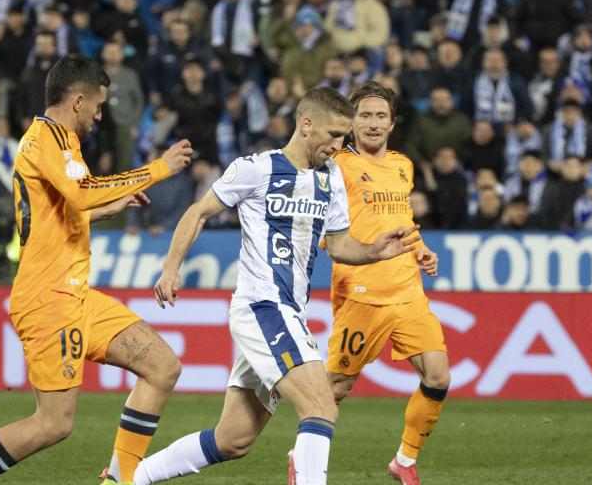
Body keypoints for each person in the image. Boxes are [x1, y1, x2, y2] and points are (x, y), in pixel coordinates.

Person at [0, 56, 195, 485]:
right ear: (79, 100)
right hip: (48, 299)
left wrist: (110, 207)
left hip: (75, 295)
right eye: (99, 107)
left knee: (162, 366)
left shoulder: (58, 143)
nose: (100, 116)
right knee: (53, 424)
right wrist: (157, 169)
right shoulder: (48, 137)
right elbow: (82, 193)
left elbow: (66, 211)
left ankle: (118, 480)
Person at [136, 87, 419, 485]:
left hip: (289, 312)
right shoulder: (256, 168)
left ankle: (133, 478)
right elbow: (199, 212)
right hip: (262, 308)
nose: (340, 145)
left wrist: (374, 251)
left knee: (233, 439)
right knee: (321, 406)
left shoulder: (331, 177)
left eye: (344, 137)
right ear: (307, 126)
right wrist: (171, 268)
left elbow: (338, 244)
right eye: (335, 135)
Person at [324, 82, 443, 484]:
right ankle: (303, 458)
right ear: (351, 122)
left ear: (392, 124)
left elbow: (403, 221)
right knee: (336, 387)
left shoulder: (403, 165)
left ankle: (405, 462)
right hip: (361, 291)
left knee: (438, 376)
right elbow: (327, 229)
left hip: (408, 290)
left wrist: (421, 249)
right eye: (365, 115)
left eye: (380, 116)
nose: (373, 123)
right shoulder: (335, 165)